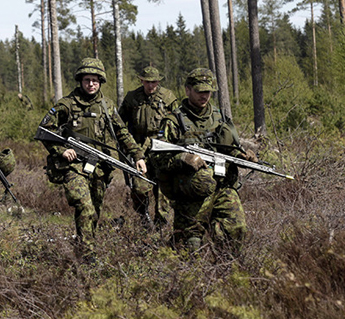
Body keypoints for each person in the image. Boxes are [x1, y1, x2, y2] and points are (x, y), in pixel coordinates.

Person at [39, 58, 147, 248]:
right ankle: (88, 254)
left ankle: (84, 248)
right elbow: (44, 131)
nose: (91, 84)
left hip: (99, 167)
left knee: (94, 213)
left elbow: (122, 133)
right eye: (87, 80)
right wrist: (62, 150)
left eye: (95, 80)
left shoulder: (107, 105)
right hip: (74, 167)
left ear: (100, 81)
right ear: (80, 80)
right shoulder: (66, 104)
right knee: (85, 207)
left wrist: (137, 156)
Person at [151, 68, 255, 253]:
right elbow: (157, 157)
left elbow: (229, 149)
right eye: (199, 91)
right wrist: (183, 158)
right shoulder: (174, 121)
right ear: (188, 90)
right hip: (191, 191)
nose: (204, 96)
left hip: (222, 186)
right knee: (189, 247)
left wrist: (243, 156)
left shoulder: (220, 118)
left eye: (207, 92)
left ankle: (227, 274)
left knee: (236, 230)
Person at [118, 66, 177, 228]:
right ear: (141, 81)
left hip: (163, 151)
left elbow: (180, 123)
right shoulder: (132, 98)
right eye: (148, 82)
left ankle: (161, 226)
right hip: (139, 150)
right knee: (139, 187)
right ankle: (143, 218)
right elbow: (119, 124)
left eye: (155, 82)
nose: (151, 86)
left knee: (162, 191)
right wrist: (127, 147)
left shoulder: (168, 97)